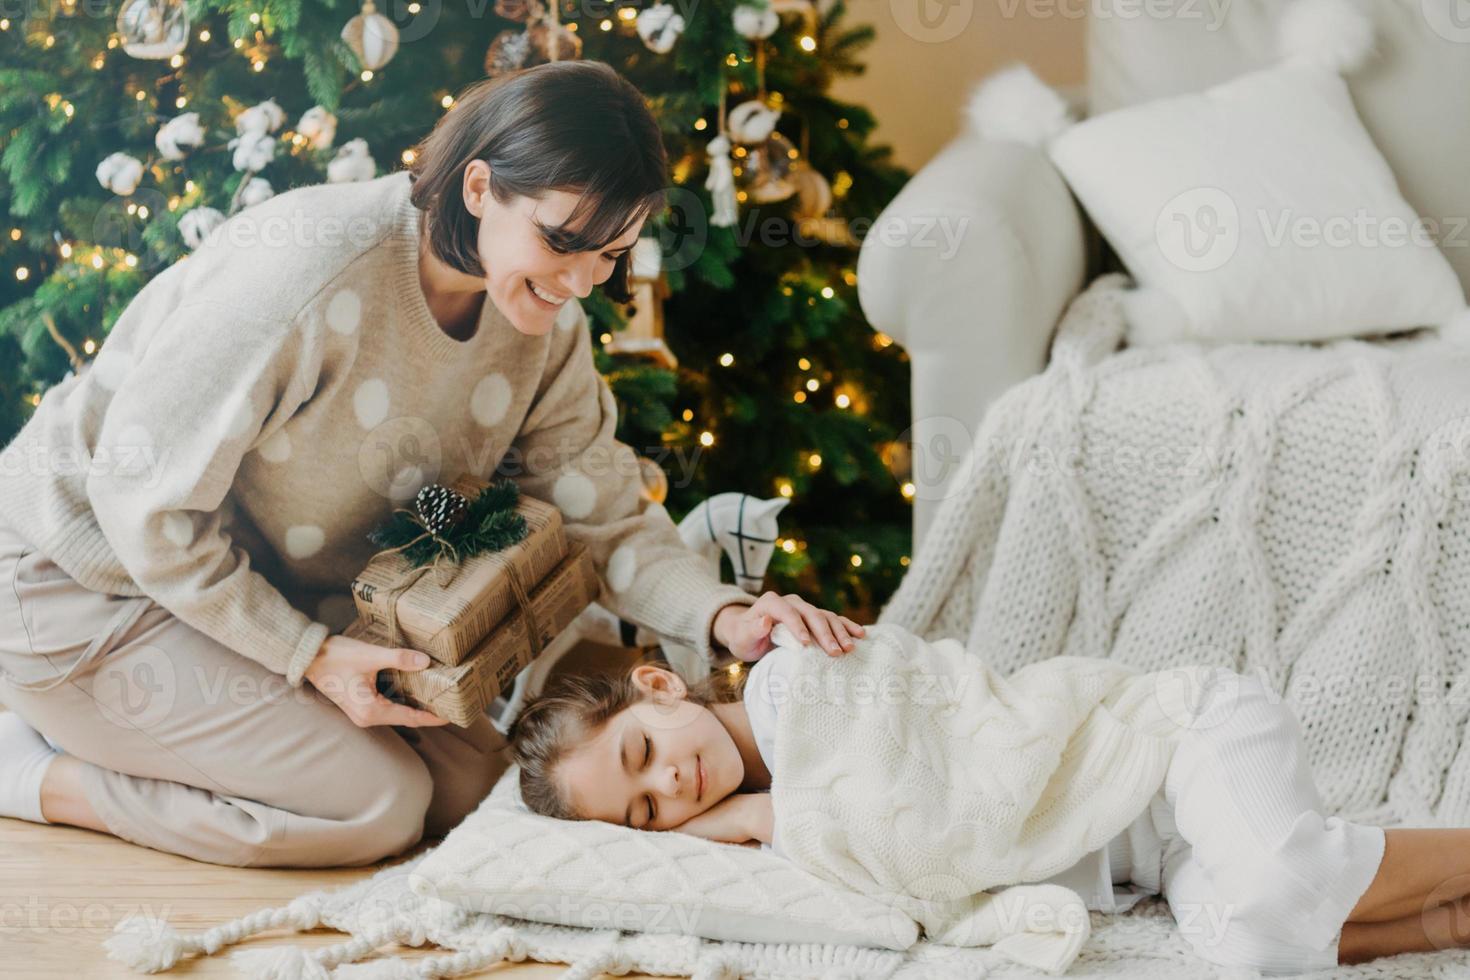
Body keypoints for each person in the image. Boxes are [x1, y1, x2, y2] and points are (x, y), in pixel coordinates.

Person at [0, 60, 862, 868]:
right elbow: (140, 506)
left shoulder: (542, 326)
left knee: (472, 793)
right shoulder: (305, 272)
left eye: (610, 256)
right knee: (378, 806)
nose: (582, 282)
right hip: (83, 577)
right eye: (565, 241)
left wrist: (723, 617)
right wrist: (305, 654)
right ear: (480, 186)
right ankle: (34, 772)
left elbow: (602, 512)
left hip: (247, 591)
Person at [509, 624, 1470, 974]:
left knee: (1279, 881)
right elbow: (923, 904)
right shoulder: (790, 834)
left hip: (1172, 743)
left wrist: (764, 817)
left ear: (661, 688)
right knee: (1254, 943)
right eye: (644, 810)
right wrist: (767, 826)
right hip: (1155, 857)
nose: (670, 784)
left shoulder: (794, 683)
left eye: (642, 753)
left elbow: (933, 825)